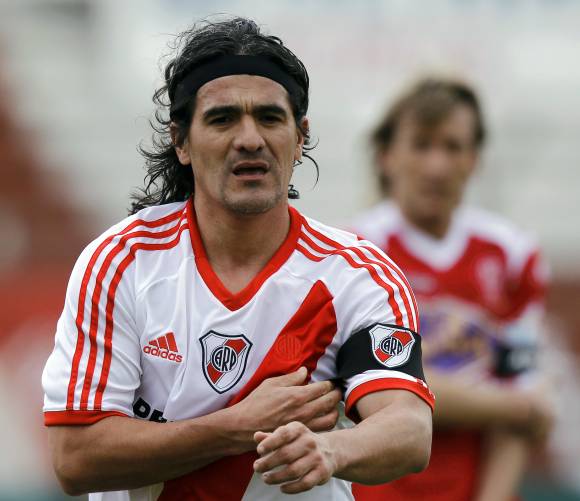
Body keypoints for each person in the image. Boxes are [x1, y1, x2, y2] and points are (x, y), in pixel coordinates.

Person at [42, 18, 434, 501]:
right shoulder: (122, 264)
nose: (250, 138)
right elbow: (75, 458)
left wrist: (330, 450)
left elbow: (408, 429)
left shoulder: (357, 276)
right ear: (181, 142)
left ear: (300, 136)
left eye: (269, 118)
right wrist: (235, 426)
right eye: (222, 119)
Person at [350, 78, 553, 501]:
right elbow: (391, 392)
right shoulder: (353, 255)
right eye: (421, 145)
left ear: (475, 159)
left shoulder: (513, 254)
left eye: (453, 146)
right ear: (387, 156)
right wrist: (513, 405)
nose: (437, 166)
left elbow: (526, 402)